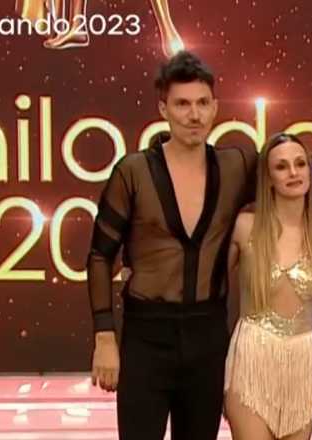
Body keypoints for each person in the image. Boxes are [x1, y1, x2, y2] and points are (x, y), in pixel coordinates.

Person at [86, 51, 256, 439]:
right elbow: (99, 257)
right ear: (163, 109)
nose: (194, 115)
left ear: (215, 107)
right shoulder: (133, 172)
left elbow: (295, 165)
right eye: (182, 104)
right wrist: (105, 337)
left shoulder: (235, 167)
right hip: (146, 338)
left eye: (202, 103)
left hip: (208, 336)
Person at [224, 133, 312, 439]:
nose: (293, 173)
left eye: (300, 164)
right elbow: (207, 284)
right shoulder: (245, 227)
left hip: (304, 360)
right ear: (268, 178)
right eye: (281, 167)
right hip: (253, 357)